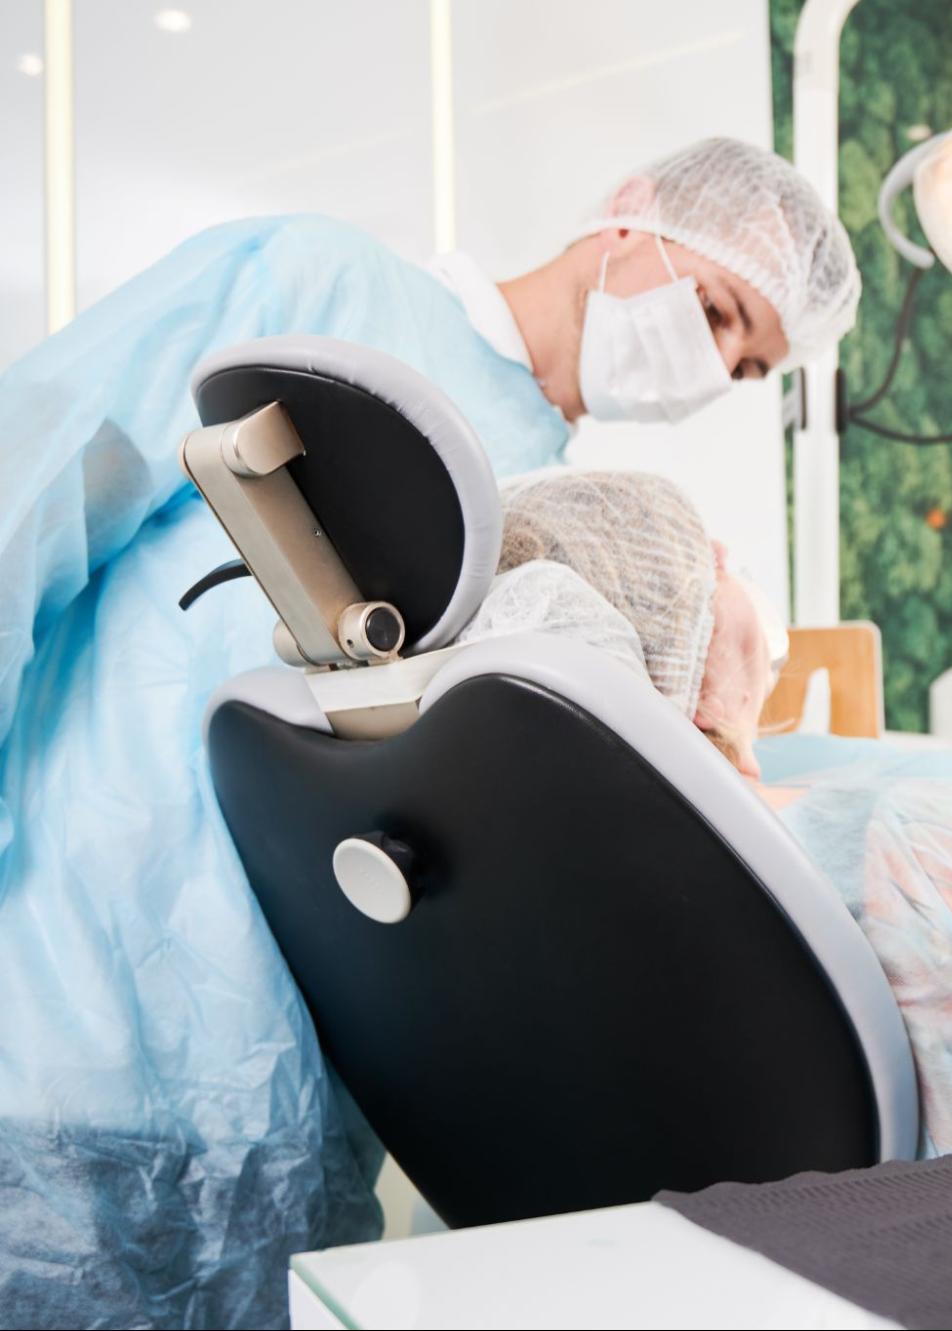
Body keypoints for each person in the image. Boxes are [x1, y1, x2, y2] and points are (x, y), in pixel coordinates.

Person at [0, 138, 856, 1328]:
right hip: (67, 990)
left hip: (292, 1098)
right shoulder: (320, 284)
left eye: (746, 359)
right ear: (628, 214)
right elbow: (28, 477)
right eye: (714, 308)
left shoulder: (571, 526)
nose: (711, 360)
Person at [463, 469, 952, 1155]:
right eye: (704, 559)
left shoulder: (482, 911)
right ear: (666, 662)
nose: (726, 556)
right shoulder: (932, 851)